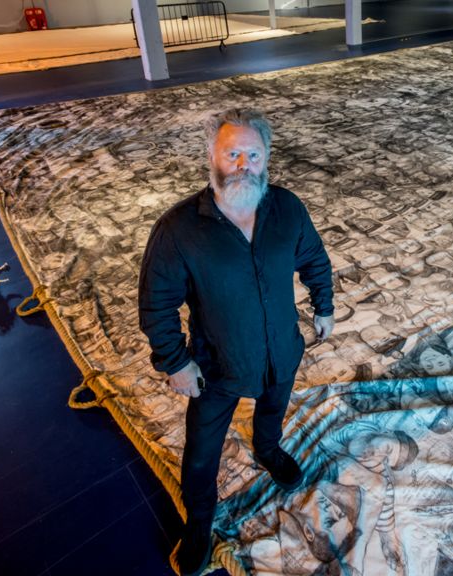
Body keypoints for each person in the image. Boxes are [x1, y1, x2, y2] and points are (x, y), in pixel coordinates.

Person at [138, 108, 335, 576]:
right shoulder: (179, 229)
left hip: (281, 350)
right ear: (212, 157)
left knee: (273, 408)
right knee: (203, 450)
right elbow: (156, 303)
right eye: (233, 154)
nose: (244, 164)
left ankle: (268, 449)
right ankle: (200, 523)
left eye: (254, 154)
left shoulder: (286, 207)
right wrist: (176, 363)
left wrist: (323, 305)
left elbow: (313, 256)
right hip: (217, 367)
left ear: (266, 159)